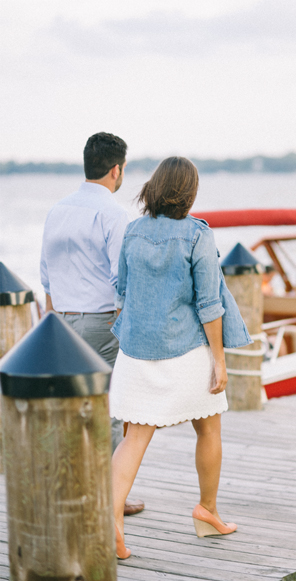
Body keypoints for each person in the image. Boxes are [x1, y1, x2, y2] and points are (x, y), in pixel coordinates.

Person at [108, 156, 251, 559]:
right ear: (188, 192)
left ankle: (112, 519)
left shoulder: (133, 232)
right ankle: (207, 510)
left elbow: (122, 291)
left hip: (136, 352)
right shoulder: (196, 235)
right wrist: (219, 361)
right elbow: (209, 304)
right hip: (186, 351)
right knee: (208, 431)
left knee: (134, 437)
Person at [39, 131, 145, 517]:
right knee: (109, 408)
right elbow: (124, 281)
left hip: (60, 323)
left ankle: (71, 487)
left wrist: (52, 322)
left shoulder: (58, 210)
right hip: (101, 322)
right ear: (116, 170)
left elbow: (46, 277)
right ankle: (107, 497)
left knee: (70, 408)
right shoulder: (114, 214)